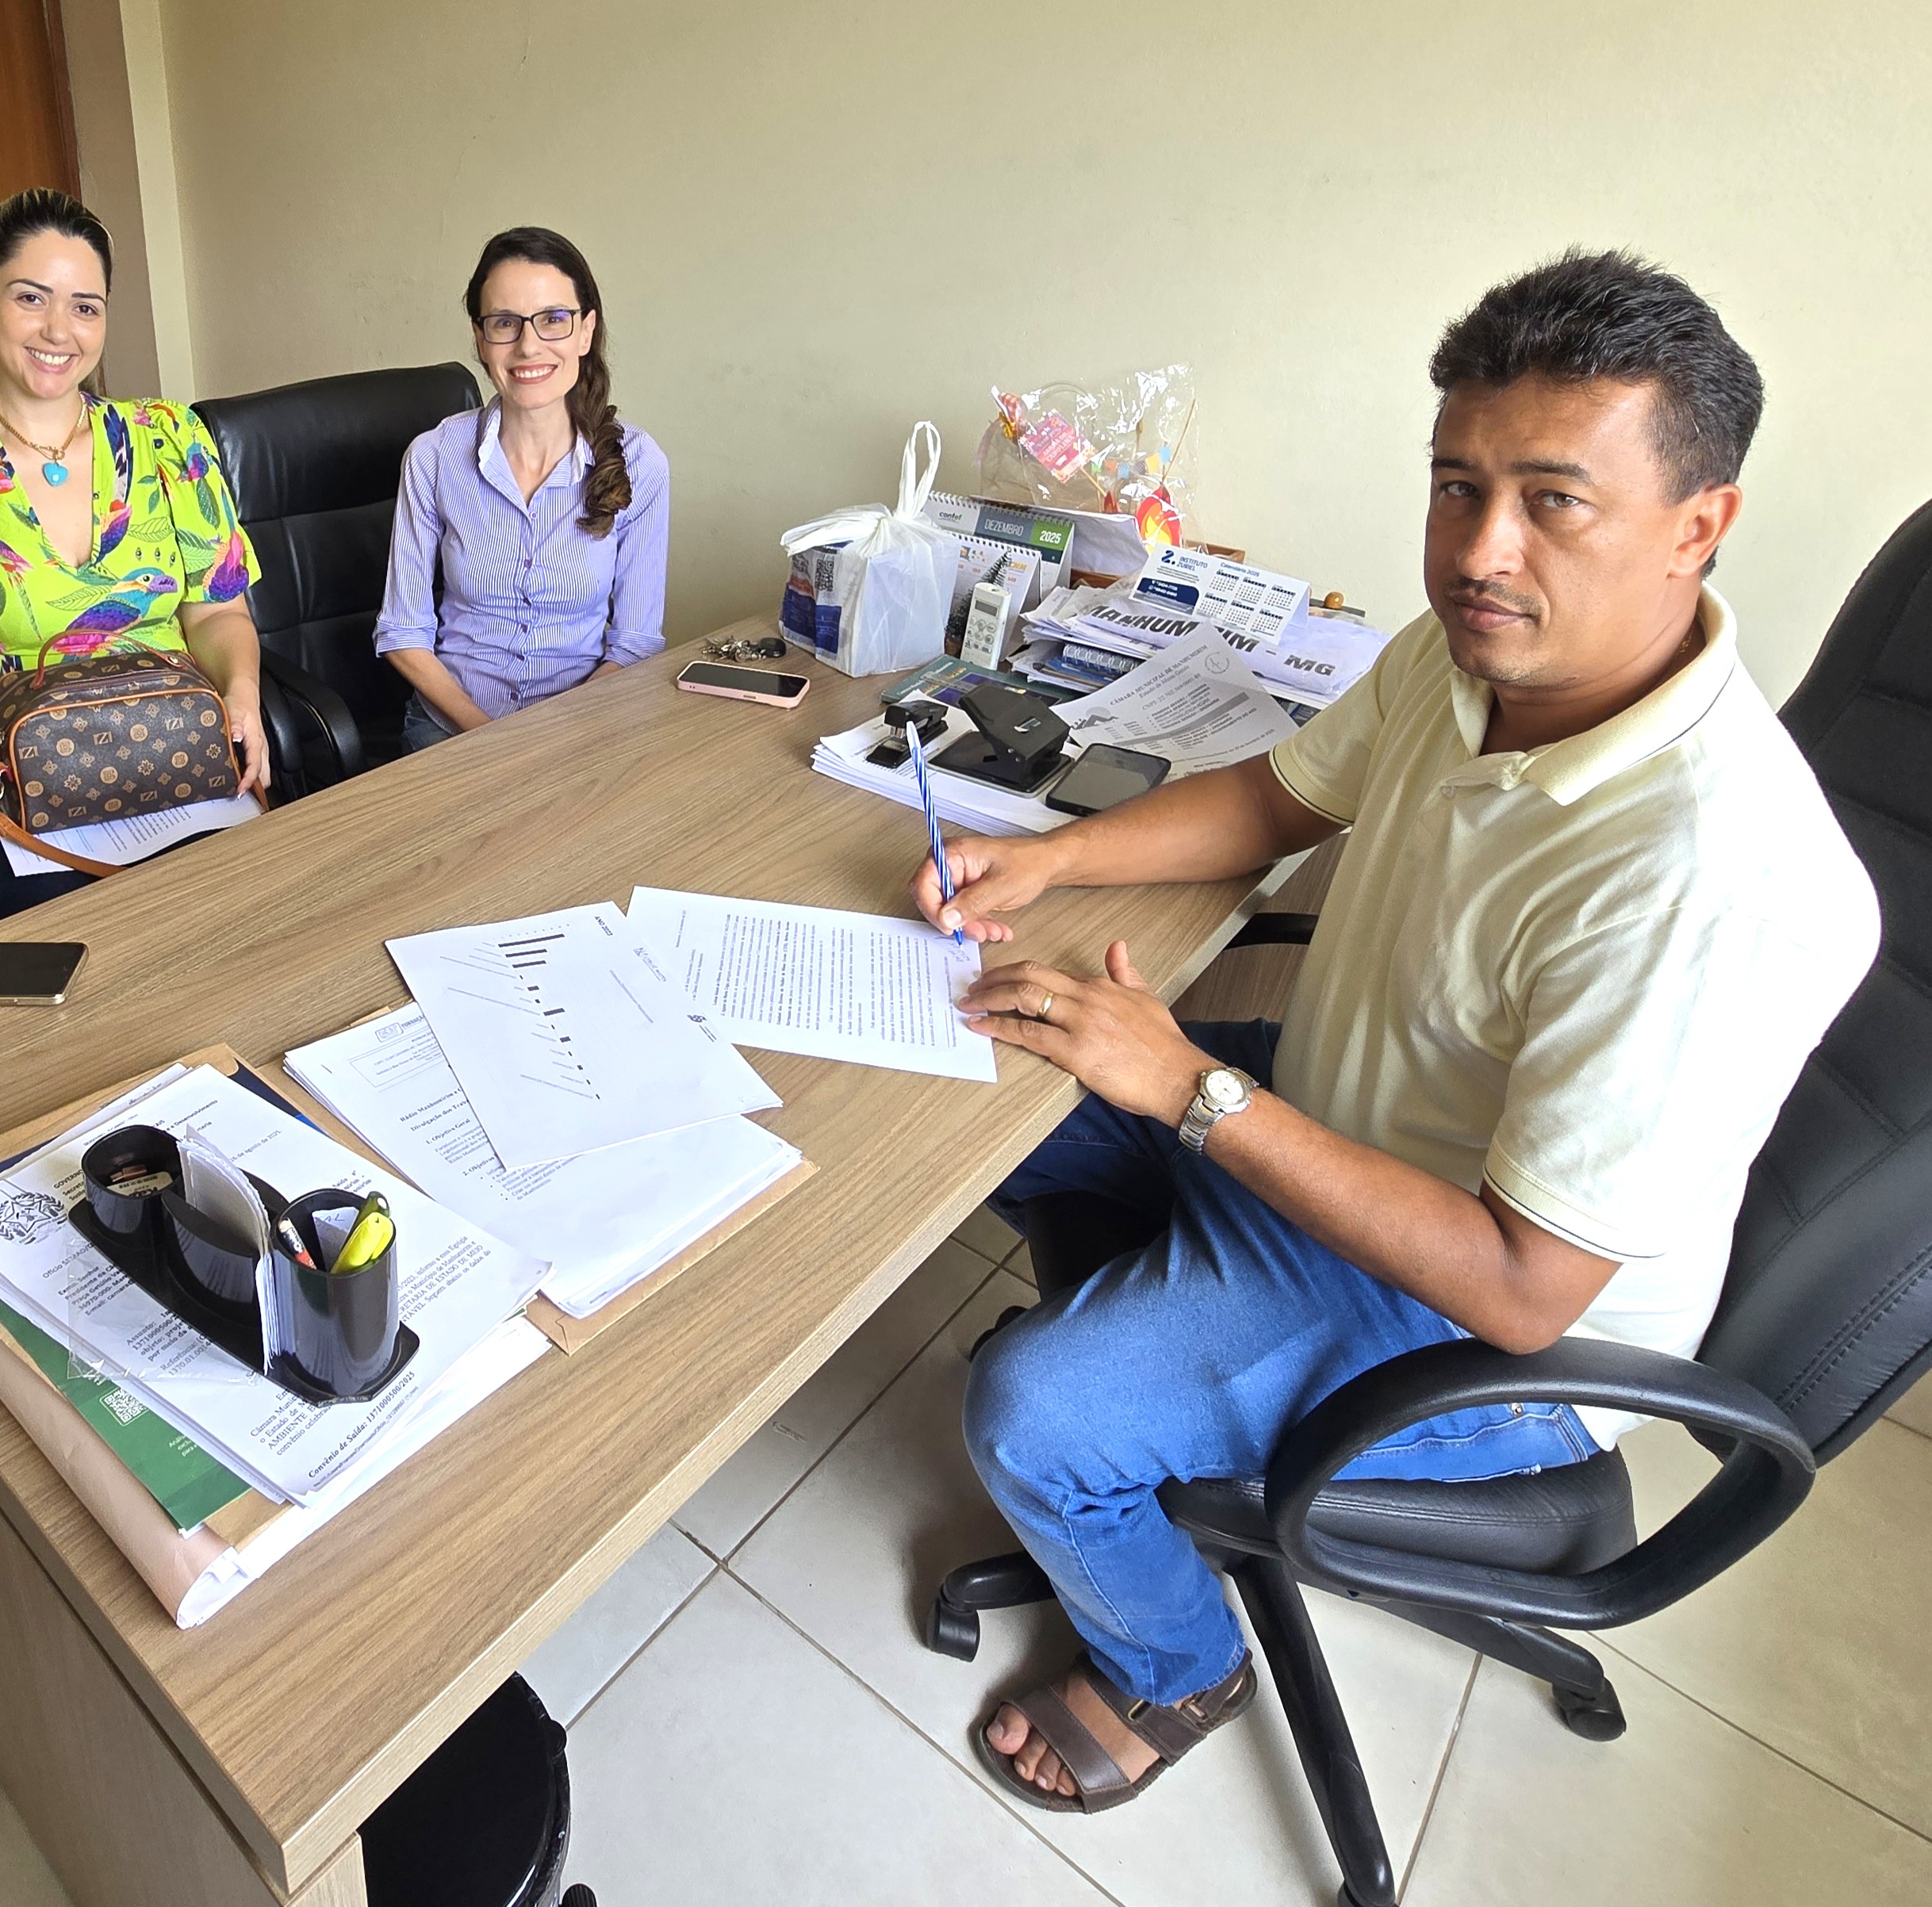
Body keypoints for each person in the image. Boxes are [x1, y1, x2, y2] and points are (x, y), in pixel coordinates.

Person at [908, 251, 1877, 1813]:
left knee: (1028, 1410)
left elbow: (1517, 1281)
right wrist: (1057, 854)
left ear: (1698, 525)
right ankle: (1159, 1318)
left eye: (1554, 498)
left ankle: (1171, 1660)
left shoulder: (1705, 875)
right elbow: (1288, 794)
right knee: (979, 1049)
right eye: (1454, 484)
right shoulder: (1476, 646)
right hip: (1353, 1129)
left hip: (1494, 1322)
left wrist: (1192, 1087)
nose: (1478, 549)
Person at [0, 187, 263, 933]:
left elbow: (217, 609)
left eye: (85, 306)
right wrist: (67, 725)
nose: (58, 330)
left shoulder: (171, 438)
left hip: (166, 742)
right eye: (30, 297)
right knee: (84, 954)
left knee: (251, 914)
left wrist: (239, 692)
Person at [375, 227, 669, 753]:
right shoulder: (434, 458)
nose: (528, 345)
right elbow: (403, 632)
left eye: (553, 319)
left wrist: (552, 740)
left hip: (583, 731)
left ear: (586, 331)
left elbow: (634, 644)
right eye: (504, 323)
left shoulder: (641, 464)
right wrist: (494, 740)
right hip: (452, 731)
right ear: (480, 339)